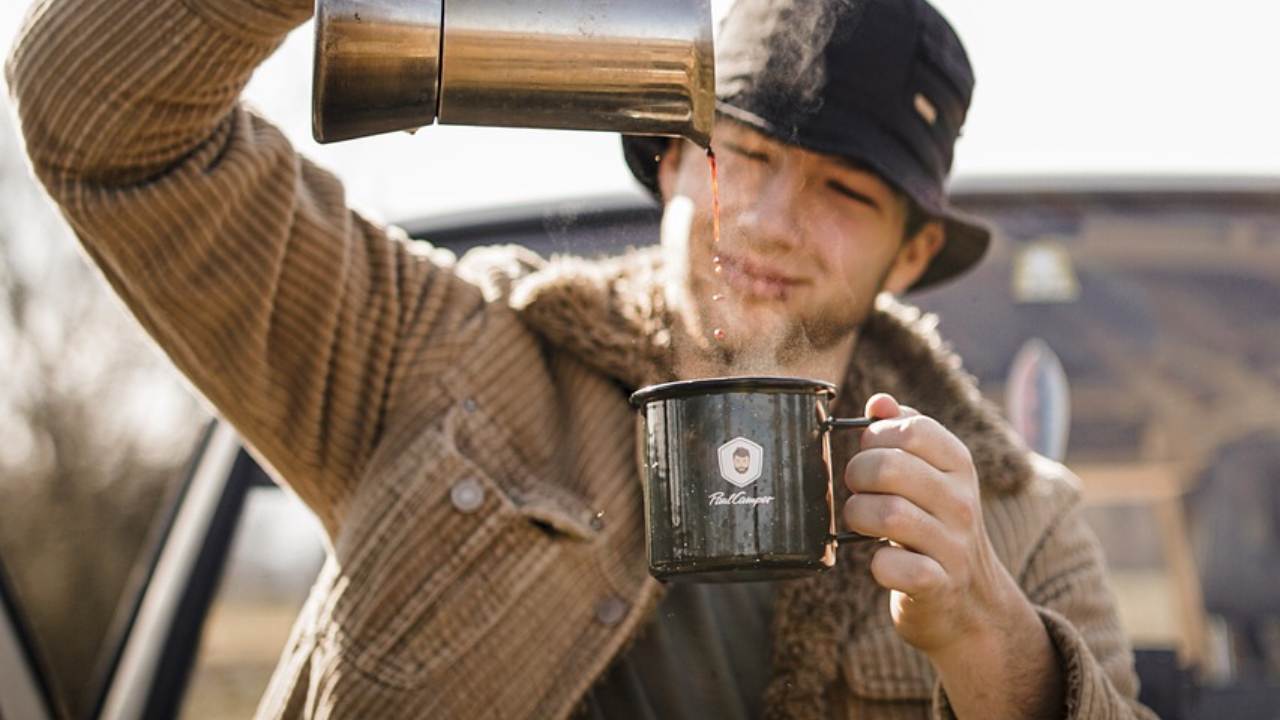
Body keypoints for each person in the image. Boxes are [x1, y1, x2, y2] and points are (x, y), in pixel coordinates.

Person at [6, 0, 1156, 716]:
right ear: (666, 159)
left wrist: (993, 643)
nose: (758, 220)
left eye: (843, 193)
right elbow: (92, 112)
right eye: (737, 156)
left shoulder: (1013, 518)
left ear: (908, 254)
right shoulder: (435, 354)